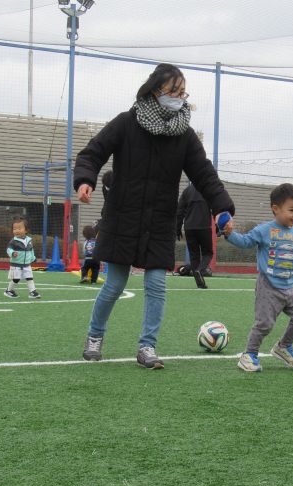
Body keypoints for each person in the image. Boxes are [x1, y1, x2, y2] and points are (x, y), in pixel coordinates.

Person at [74, 63, 235, 370]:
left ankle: (147, 346)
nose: (179, 97)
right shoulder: (126, 123)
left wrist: (222, 206)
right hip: (124, 217)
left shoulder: (184, 135)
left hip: (160, 219)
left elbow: (204, 174)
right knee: (114, 284)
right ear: (154, 90)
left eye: (182, 91)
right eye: (173, 90)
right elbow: (93, 152)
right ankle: (95, 337)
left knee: (157, 284)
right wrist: (85, 180)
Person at [221, 183, 293, 372]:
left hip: (290, 288)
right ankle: (249, 355)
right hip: (268, 287)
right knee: (265, 324)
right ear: (275, 209)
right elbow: (245, 242)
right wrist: (229, 234)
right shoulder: (264, 230)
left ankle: (283, 346)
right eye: (291, 209)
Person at [176, 183, 214, 289]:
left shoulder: (187, 191)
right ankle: (200, 270)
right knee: (208, 253)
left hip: (189, 228)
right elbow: (215, 208)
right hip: (204, 227)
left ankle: (200, 283)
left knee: (194, 255)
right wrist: (218, 227)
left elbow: (180, 211)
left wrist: (177, 228)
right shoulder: (207, 190)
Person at [3, 216, 41, 299]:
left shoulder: (29, 240)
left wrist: (33, 258)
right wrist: (12, 253)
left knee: (29, 278)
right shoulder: (13, 241)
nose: (16, 231)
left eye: (19, 228)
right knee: (16, 279)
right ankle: (8, 290)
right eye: (14, 229)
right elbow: (8, 249)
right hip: (16, 264)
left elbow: (31, 250)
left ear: (26, 230)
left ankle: (32, 292)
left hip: (27, 264)